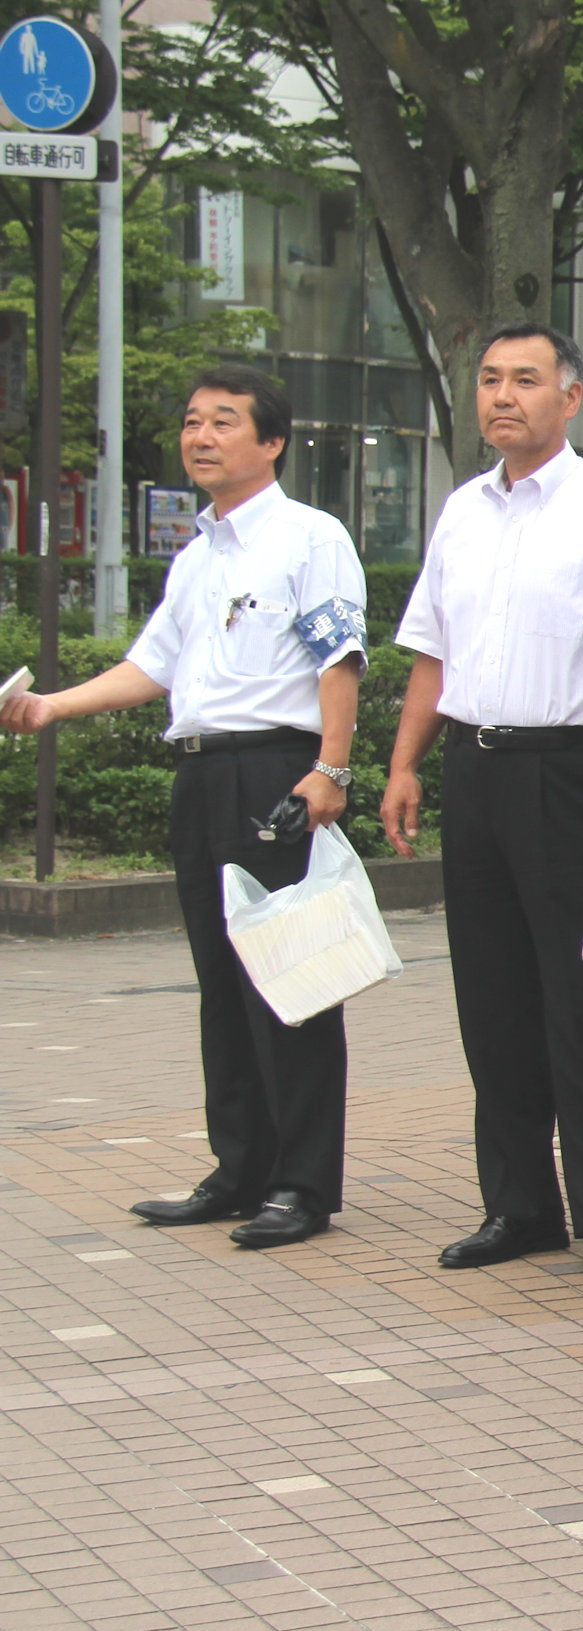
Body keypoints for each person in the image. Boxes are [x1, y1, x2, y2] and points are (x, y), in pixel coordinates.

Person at [1, 366, 364, 1249]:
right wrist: (52, 706)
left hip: (275, 770)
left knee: (291, 977)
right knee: (219, 981)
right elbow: (153, 666)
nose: (201, 436)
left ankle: (303, 1185)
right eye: (193, 422)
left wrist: (331, 769)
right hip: (200, 777)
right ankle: (240, 1168)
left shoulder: (307, 537)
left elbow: (340, 658)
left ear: (271, 441)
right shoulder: (197, 554)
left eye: (223, 423)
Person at [381, 324, 583, 1292]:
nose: (503, 396)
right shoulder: (462, 509)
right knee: (490, 998)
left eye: (525, 380)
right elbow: (432, 651)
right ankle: (517, 1203)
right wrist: (405, 763)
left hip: (573, 772)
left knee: (580, 1002)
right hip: (476, 768)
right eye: (490, 379)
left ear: (569, 398)